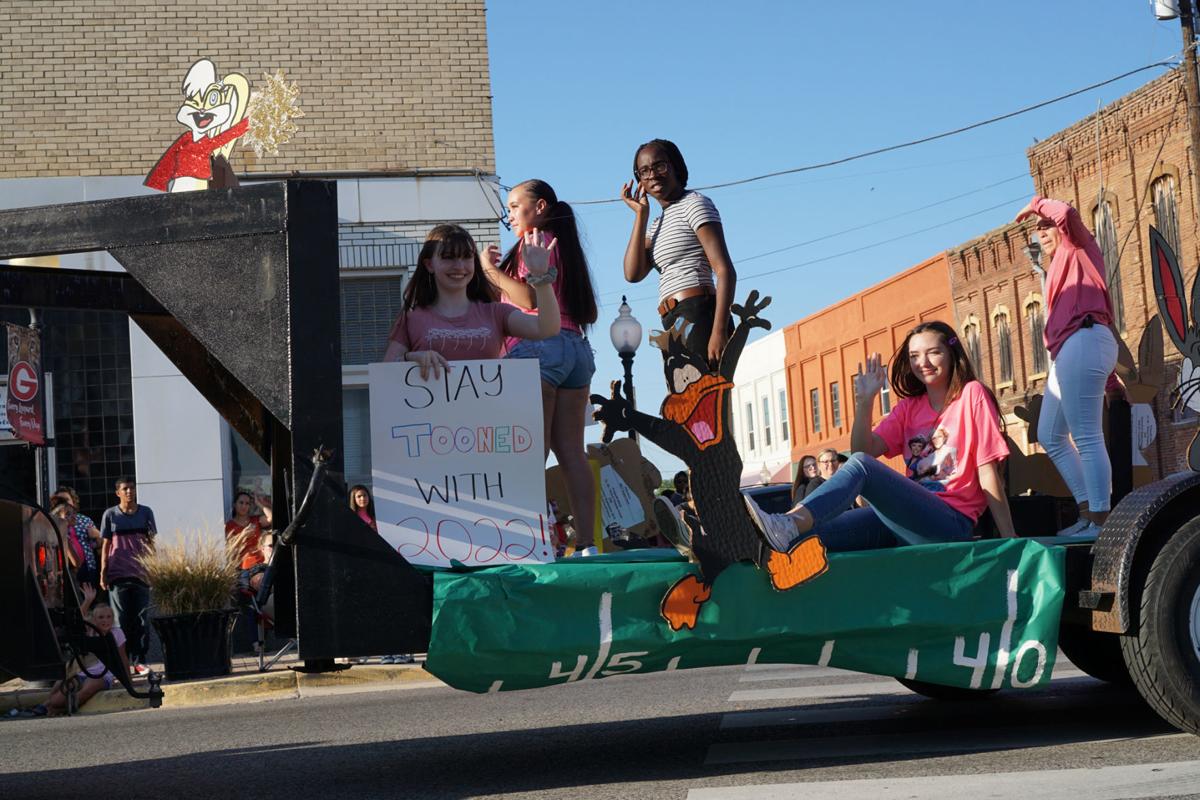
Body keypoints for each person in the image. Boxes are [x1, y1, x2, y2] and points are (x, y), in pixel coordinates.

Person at [744, 321, 1016, 553]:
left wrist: (1010, 538)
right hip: (908, 519)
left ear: (951, 352)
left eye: (934, 352)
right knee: (809, 539)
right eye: (914, 356)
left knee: (861, 466)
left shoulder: (972, 395)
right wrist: (865, 402)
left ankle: (788, 522)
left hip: (950, 523)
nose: (923, 363)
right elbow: (862, 449)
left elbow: (987, 471)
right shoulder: (909, 407)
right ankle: (753, 541)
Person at [480, 179, 601, 556]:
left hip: (537, 350)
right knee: (571, 452)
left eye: (516, 206)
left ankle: (528, 542)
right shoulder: (564, 245)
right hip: (576, 350)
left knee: (531, 452)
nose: (510, 214)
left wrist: (489, 270)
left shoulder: (533, 243)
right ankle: (587, 543)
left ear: (541, 206)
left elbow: (527, 297)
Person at [1013, 196, 1137, 536]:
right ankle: (1087, 511)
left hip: (1083, 341)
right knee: (1049, 434)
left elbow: (1065, 213)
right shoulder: (1058, 268)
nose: (1042, 231)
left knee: (1086, 434)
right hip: (1073, 349)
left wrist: (1037, 204)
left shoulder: (1079, 243)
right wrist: (1111, 382)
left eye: (1045, 225)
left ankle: (1101, 520)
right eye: (1037, 229)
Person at [382, 224, 561, 378]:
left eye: (467, 257)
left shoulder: (496, 313)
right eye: (448, 257)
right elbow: (386, 375)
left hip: (491, 417)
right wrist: (410, 359)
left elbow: (547, 328)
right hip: (431, 417)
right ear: (429, 265)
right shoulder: (411, 320)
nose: (459, 266)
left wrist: (540, 277)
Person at [621, 139, 737, 364]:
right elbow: (632, 273)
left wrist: (719, 331)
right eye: (644, 171)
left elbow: (724, 271)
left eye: (659, 166)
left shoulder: (694, 204)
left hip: (699, 313)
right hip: (672, 321)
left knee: (705, 396)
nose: (652, 175)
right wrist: (640, 216)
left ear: (675, 166)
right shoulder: (656, 224)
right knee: (684, 399)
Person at [30, 584, 129, 717]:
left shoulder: (117, 633)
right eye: (101, 617)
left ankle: (63, 710)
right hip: (82, 673)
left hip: (102, 676)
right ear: (94, 619)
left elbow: (123, 657)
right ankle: (51, 706)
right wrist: (88, 600)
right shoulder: (89, 631)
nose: (105, 621)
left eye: (108, 617)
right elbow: (77, 620)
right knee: (55, 700)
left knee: (87, 689)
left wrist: (129, 681)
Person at [99, 477, 156, 676]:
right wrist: (103, 573)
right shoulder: (110, 515)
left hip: (141, 573)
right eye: (125, 489)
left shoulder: (146, 512)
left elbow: (151, 543)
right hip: (117, 574)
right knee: (121, 620)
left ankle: (139, 660)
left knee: (141, 619)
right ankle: (122, 661)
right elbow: (105, 546)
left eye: (132, 488)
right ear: (118, 493)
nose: (129, 492)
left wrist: (153, 568)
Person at [225, 490, 273, 593]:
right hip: (242, 568)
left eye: (247, 503)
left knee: (261, 583)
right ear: (235, 504)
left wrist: (259, 504)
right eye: (241, 502)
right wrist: (243, 535)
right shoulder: (229, 525)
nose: (244, 506)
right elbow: (230, 550)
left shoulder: (255, 520)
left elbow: (271, 518)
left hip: (259, 565)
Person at [54, 486, 102, 590]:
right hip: (66, 570)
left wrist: (97, 534)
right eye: (60, 500)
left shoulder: (84, 519)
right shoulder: (53, 522)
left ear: (73, 501)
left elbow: (99, 543)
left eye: (66, 499)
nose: (64, 503)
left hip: (88, 566)